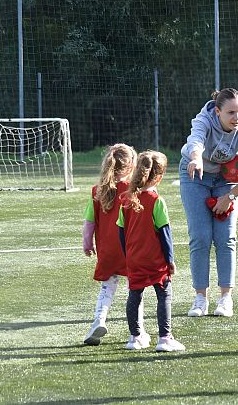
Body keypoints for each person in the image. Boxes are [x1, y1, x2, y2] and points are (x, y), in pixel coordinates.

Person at [180, 88, 238, 318]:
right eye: (231, 113)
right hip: (195, 176)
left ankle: (226, 298)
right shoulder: (204, 120)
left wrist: (230, 196)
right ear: (218, 111)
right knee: (200, 236)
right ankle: (200, 299)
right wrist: (196, 158)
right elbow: (194, 141)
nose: (236, 118)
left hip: (227, 181)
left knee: (226, 238)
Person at [118, 150, 185, 352]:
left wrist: (128, 256)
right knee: (164, 295)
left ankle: (135, 337)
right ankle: (165, 338)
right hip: (155, 260)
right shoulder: (157, 201)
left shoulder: (126, 201)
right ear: (159, 176)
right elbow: (165, 234)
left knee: (134, 295)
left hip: (135, 260)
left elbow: (121, 232)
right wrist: (170, 260)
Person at [82, 144, 137, 346]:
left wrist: (87, 243)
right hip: (130, 248)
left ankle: (99, 319)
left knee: (108, 287)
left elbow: (89, 222)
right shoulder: (133, 191)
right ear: (131, 167)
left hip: (107, 250)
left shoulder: (98, 191)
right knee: (135, 288)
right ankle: (136, 331)